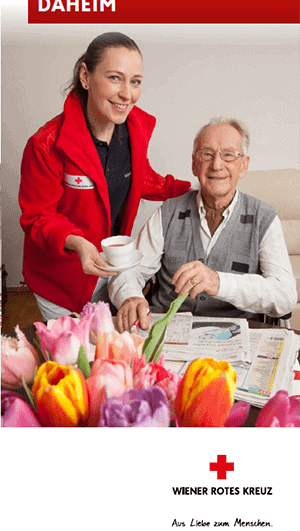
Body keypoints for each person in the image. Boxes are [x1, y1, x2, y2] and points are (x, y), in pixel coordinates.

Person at [19, 32, 191, 320]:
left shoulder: (133, 130)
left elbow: (139, 178)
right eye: (115, 78)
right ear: (86, 76)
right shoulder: (45, 144)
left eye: (135, 81)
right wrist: (78, 242)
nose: (127, 93)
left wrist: (199, 187)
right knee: (73, 360)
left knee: (111, 359)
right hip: (61, 281)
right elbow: (37, 217)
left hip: (111, 270)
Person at [109, 116, 297, 332]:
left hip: (233, 335)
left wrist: (219, 282)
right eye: (207, 154)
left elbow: (285, 296)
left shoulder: (264, 217)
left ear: (243, 165)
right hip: (168, 332)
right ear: (194, 164)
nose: (217, 165)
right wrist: (130, 296)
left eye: (228, 155)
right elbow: (129, 270)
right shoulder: (168, 212)